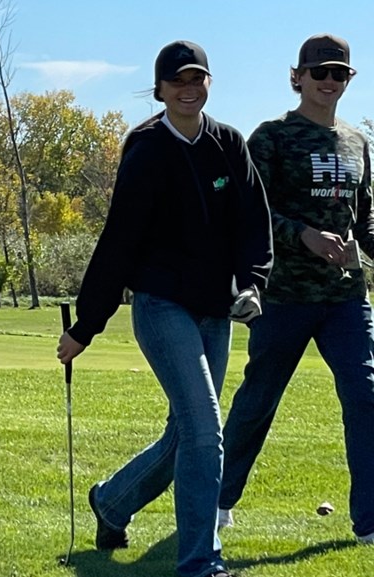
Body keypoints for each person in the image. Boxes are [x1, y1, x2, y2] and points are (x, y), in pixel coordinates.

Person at [57, 41, 273, 577]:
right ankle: (201, 561)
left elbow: (253, 222)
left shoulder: (228, 143)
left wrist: (252, 284)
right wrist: (86, 326)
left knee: (186, 435)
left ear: (209, 84)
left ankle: (111, 502)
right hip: (159, 306)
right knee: (204, 430)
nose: (188, 89)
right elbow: (118, 243)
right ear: (159, 89)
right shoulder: (147, 148)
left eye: (197, 79)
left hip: (216, 310)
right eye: (177, 81)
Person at [218, 33, 374, 545]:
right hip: (284, 296)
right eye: (320, 72)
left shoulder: (358, 143)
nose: (330, 82)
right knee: (258, 400)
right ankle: (219, 500)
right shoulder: (272, 138)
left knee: (366, 399)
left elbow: (367, 224)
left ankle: (370, 522)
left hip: (346, 298)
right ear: (298, 76)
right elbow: (250, 213)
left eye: (340, 74)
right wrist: (302, 235)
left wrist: (361, 253)